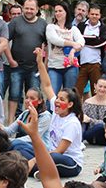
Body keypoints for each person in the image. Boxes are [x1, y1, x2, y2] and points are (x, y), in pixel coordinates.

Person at [30, 47, 85, 177]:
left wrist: (34, 160)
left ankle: (39, 169)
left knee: (51, 157)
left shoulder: (72, 123)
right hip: (51, 155)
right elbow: (47, 85)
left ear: (70, 104)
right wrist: (40, 62)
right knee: (21, 146)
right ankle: (38, 169)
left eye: (62, 99)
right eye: (57, 98)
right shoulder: (56, 110)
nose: (57, 101)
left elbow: (59, 151)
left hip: (70, 163)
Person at [6, 0, 48, 119]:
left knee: (34, 97)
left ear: (37, 9)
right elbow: (4, 41)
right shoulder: (15, 22)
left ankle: (31, 121)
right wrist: (10, 60)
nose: (29, 11)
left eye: (32, 9)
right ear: (23, 8)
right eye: (27, 8)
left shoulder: (43, 24)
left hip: (35, 68)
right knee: (14, 95)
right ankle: (10, 122)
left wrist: (44, 64)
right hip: (16, 66)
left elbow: (47, 46)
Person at [45, 3, 84, 93]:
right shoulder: (50, 27)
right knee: (52, 95)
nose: (57, 13)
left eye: (60, 11)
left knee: (69, 95)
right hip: (54, 67)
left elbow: (81, 42)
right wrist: (72, 43)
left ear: (66, 12)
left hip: (70, 67)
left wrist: (72, 51)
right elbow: (55, 40)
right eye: (56, 11)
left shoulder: (73, 29)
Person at [74, 5, 106, 98]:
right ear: (88, 14)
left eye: (96, 14)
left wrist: (83, 40)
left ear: (100, 15)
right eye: (92, 14)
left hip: (96, 64)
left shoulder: (103, 28)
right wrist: (94, 38)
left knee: (97, 93)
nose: (94, 16)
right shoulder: (81, 26)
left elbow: (102, 42)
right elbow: (77, 40)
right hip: (82, 64)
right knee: (77, 92)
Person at [82, 78, 106, 145]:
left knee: (100, 126)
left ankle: (81, 138)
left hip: (104, 135)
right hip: (90, 133)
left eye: (105, 87)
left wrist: (90, 120)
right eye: (100, 86)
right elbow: (84, 119)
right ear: (95, 86)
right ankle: (79, 140)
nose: (102, 89)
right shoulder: (88, 102)